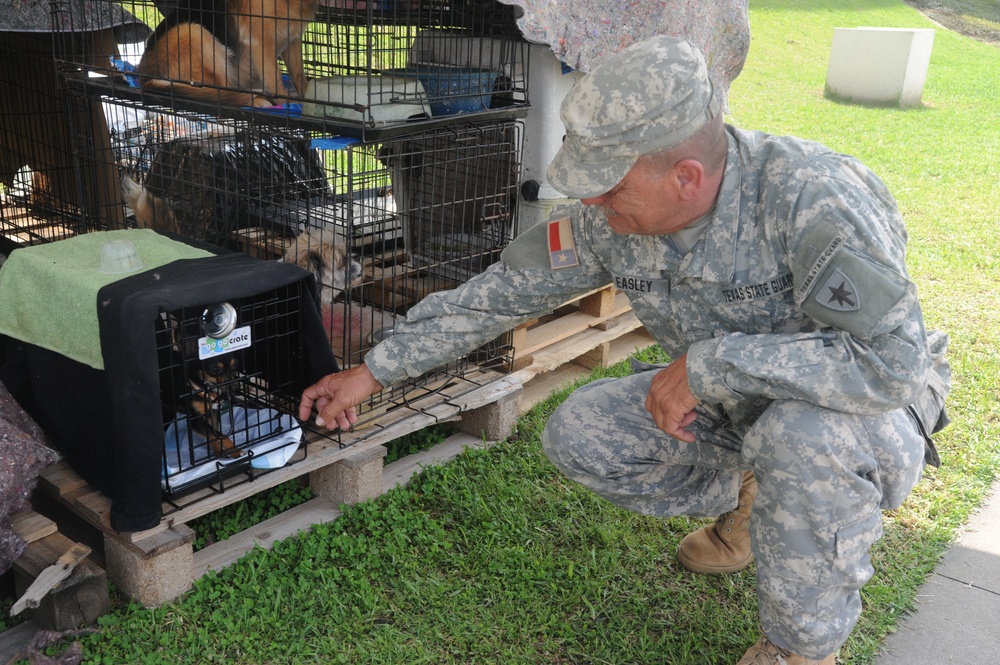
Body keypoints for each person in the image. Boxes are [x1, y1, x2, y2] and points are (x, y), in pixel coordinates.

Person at [299, 35, 951, 665]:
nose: (591, 201)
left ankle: (804, 648)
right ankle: (760, 499)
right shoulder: (609, 218)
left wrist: (712, 364)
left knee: (802, 437)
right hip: (738, 409)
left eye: (609, 185)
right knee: (580, 431)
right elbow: (499, 294)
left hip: (860, 415)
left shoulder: (815, 199)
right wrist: (374, 371)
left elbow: (893, 362)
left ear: (686, 177)